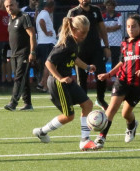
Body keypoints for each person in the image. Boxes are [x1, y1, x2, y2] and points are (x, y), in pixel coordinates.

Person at [95, 14, 140, 149]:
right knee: (112, 108)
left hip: (139, 85)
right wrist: (109, 74)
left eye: (134, 26)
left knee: (125, 113)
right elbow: (122, 62)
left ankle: (132, 125)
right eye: (128, 26)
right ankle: (101, 137)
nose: (130, 29)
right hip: (122, 80)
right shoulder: (124, 43)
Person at [31, 15, 98, 151]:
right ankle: (42, 131)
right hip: (58, 83)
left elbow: (74, 59)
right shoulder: (65, 44)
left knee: (88, 104)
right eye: (83, 32)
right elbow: (48, 63)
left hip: (68, 81)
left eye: (87, 32)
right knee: (69, 116)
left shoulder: (73, 42)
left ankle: (85, 140)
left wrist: (87, 67)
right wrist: (60, 78)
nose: (85, 35)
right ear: (74, 29)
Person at [66, 0, 111, 110]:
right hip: (80, 51)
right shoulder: (73, 12)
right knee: (82, 79)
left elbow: (102, 29)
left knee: (101, 75)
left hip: (96, 49)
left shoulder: (96, 10)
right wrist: (69, 48)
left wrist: (106, 47)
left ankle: (100, 99)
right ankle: (83, 101)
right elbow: (66, 30)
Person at [3, 0, 36, 111]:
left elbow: (32, 35)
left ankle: (13, 103)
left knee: (19, 77)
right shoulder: (10, 20)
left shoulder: (24, 17)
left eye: (11, 5)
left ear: (17, 4)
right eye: (7, 6)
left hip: (24, 53)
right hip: (14, 54)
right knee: (23, 78)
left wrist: (32, 52)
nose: (9, 8)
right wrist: (8, 54)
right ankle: (28, 104)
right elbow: (11, 39)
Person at [35, 0, 57, 92]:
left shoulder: (41, 14)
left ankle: (44, 85)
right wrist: (46, 32)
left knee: (46, 64)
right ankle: (43, 83)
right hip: (47, 43)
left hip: (43, 42)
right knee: (49, 64)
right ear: (51, 7)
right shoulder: (45, 14)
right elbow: (41, 22)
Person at [21, 0, 41, 85]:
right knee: (26, 57)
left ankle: (36, 77)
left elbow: (37, 21)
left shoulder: (39, 11)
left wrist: (37, 9)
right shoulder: (24, 9)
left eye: (36, 0)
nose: (35, 1)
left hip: (36, 35)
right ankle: (25, 78)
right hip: (26, 35)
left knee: (37, 58)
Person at [102, 0, 123, 77]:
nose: (109, 7)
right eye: (107, 5)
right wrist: (111, 28)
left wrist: (108, 29)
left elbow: (118, 26)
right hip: (105, 41)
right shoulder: (103, 15)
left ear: (114, 6)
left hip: (116, 41)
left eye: (110, 5)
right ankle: (102, 75)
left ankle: (114, 76)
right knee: (103, 59)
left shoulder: (119, 15)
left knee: (115, 59)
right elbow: (102, 28)